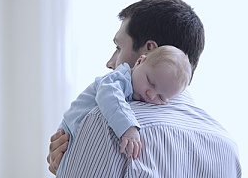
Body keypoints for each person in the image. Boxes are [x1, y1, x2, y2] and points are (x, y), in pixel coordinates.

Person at [48, 0, 242, 177]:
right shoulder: (227, 145)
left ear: (149, 51)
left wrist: (69, 166)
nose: (109, 63)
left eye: (118, 47)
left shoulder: (109, 122)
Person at [60, 45, 191, 160]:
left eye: (161, 97)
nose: (151, 95)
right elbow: (109, 96)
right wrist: (128, 127)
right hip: (69, 130)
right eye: (150, 82)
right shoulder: (118, 78)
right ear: (140, 61)